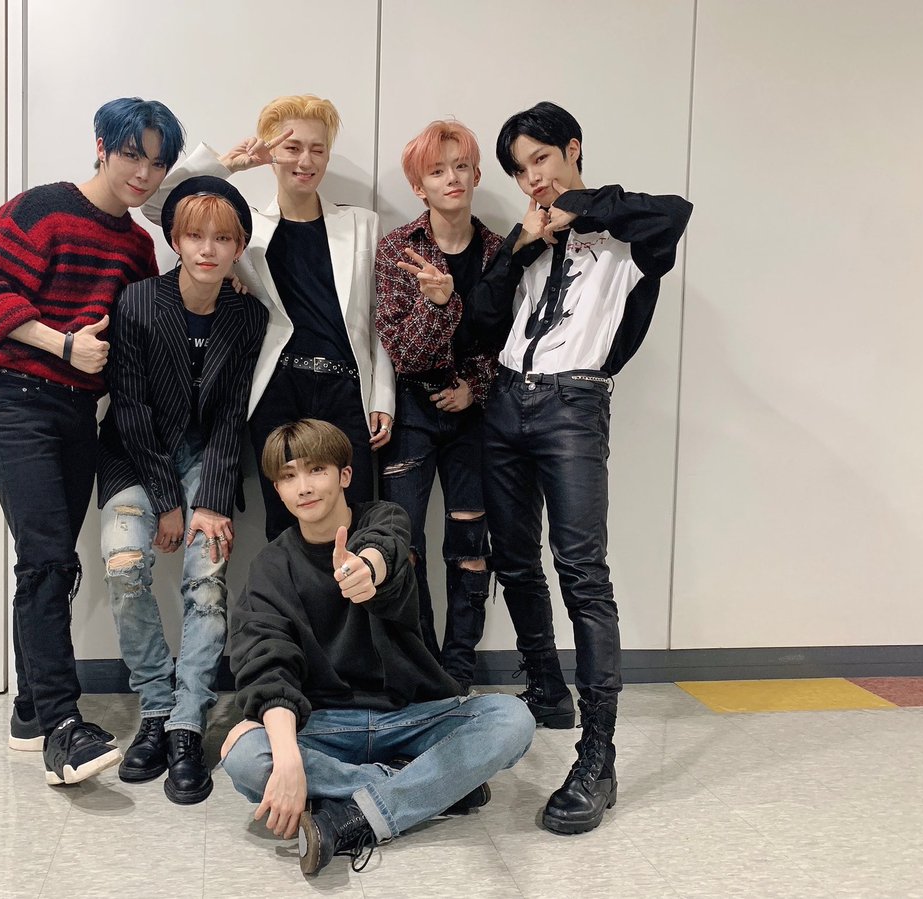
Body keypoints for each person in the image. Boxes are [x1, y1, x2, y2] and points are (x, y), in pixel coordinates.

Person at [465, 101, 692, 833]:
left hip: (573, 404)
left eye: (540, 159)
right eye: (520, 169)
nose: (532, 177)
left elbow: (675, 214)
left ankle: (598, 756)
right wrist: (519, 245)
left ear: (572, 148)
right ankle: (546, 689)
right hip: (505, 401)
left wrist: (579, 207)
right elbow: (480, 321)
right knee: (513, 557)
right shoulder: (530, 237)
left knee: (583, 573)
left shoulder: (627, 233)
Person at [0, 97, 185, 785]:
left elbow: (142, 332)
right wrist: (62, 343)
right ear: (102, 146)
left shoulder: (137, 247)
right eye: (132, 154)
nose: (143, 173)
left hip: (78, 410)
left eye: (157, 163)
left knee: (51, 560)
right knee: (49, 557)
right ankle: (61, 725)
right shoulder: (41, 210)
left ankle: (30, 711)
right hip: (11, 396)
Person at [220, 419, 535, 876]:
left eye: (316, 470)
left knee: (512, 719)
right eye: (288, 476)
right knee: (245, 755)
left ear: (344, 475)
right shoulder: (270, 566)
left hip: (409, 716)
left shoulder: (384, 518)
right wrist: (286, 756)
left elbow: (383, 548)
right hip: (325, 725)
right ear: (278, 490)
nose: (304, 487)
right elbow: (268, 663)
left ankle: (349, 816)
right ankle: (433, 786)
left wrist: (366, 570)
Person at [141, 95, 395, 540]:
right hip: (276, 389)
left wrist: (383, 397)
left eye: (317, 149)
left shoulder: (362, 225)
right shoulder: (245, 229)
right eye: (292, 148)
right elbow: (157, 204)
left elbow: (380, 318)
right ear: (272, 151)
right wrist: (228, 165)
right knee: (285, 529)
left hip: (345, 390)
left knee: (353, 524)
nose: (305, 161)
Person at [97, 176, 267, 805]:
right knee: (123, 565)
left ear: (239, 247)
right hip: (135, 458)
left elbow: (231, 418)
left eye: (222, 238)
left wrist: (212, 502)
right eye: (195, 235)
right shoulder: (139, 302)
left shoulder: (248, 316)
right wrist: (169, 503)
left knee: (207, 582)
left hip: (209, 463)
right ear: (174, 239)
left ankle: (187, 725)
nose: (207, 248)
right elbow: (132, 411)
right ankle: (154, 708)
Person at [373, 120, 502, 690]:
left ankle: (460, 667)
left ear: (477, 174)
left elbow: (513, 341)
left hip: (476, 416)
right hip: (412, 411)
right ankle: (424, 666)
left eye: (462, 166)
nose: (453, 178)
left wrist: (476, 385)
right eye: (437, 170)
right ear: (418, 186)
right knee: (404, 542)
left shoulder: (499, 252)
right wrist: (439, 305)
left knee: (471, 543)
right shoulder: (398, 249)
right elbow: (403, 352)